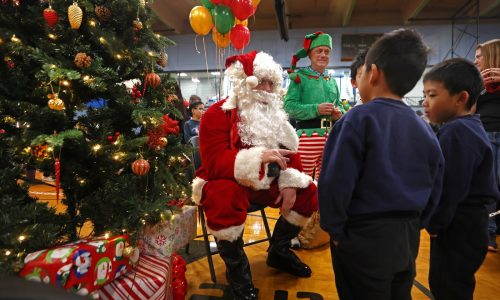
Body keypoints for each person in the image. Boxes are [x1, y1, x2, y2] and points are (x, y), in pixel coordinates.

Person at [318, 28, 444, 300]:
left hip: (362, 236)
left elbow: (334, 182)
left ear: (372, 73)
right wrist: (417, 222)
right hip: (407, 236)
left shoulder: (356, 120)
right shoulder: (424, 128)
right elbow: (436, 182)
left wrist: (335, 229)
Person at [192, 51, 318, 300]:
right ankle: (237, 270)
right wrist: (259, 157)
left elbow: (292, 153)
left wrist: (290, 180)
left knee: (310, 193)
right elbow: (215, 163)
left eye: (272, 83)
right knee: (222, 196)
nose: (267, 89)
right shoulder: (216, 114)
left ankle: (279, 251)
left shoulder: (276, 117)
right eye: (261, 81)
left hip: (266, 183)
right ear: (244, 82)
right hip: (227, 180)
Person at [422, 58, 500, 300]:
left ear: (461, 98)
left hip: (458, 224)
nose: (425, 102)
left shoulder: (458, 132)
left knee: (448, 285)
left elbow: (450, 188)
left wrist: (434, 224)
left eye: (432, 95)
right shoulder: (466, 127)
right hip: (466, 223)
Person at [284, 32, 343, 180]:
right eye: (319, 51)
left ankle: (323, 204)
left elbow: (341, 105)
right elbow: (289, 106)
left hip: (330, 139)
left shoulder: (332, 81)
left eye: (327, 52)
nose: (323, 55)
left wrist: (338, 113)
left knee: (328, 181)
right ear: (310, 54)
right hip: (306, 139)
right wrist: (316, 109)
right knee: (302, 180)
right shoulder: (299, 78)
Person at [474, 39, 500, 252]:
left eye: (479, 56)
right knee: (489, 185)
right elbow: (470, 107)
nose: (476, 61)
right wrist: (479, 87)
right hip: (485, 134)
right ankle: (488, 233)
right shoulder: (477, 82)